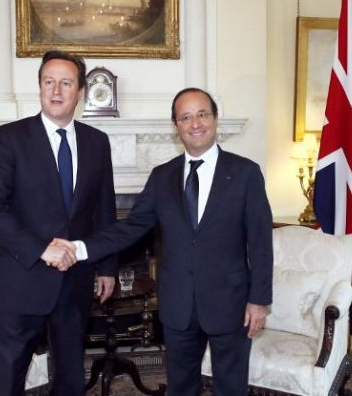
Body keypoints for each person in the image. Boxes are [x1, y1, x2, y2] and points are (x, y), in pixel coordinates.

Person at [55, 87, 273, 396]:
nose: (195, 123)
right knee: (180, 388)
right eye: (186, 117)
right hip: (177, 305)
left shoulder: (245, 173)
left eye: (202, 114)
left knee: (231, 388)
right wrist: (80, 248)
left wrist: (259, 300)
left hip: (231, 303)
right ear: (176, 125)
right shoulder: (162, 177)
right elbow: (131, 228)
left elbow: (261, 242)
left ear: (214, 119)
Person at [0, 50, 118, 395]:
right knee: (8, 382)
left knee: (70, 380)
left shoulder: (97, 142)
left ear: (80, 92)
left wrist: (108, 267)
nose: (56, 90)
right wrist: (42, 249)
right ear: (39, 87)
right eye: (48, 82)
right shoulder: (10, 138)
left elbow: (105, 211)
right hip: (20, 281)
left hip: (75, 284)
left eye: (66, 83)